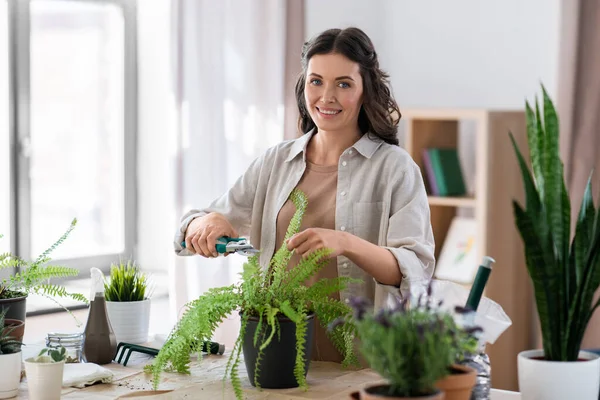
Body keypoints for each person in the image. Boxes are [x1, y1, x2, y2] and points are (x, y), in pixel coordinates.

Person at [174, 27, 435, 362]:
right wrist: (205, 222)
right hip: (276, 355)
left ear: (365, 91)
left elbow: (413, 270)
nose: (326, 96)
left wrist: (345, 242)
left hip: (362, 359)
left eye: (343, 84)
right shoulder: (275, 161)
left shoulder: (395, 169)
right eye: (316, 81)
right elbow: (205, 221)